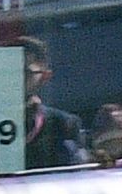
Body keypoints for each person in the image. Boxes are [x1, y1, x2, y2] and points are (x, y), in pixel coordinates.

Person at [20, 36, 89, 169]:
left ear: (45, 77)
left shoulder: (63, 124)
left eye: (24, 72)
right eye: (5, 71)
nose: (13, 78)